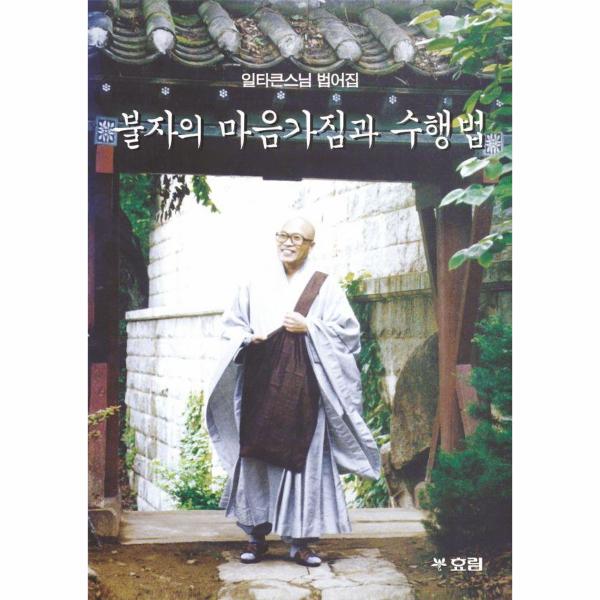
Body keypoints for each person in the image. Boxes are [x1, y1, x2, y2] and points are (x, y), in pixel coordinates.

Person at [205, 216, 381, 567]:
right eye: (283, 235)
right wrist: (247, 337)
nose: (288, 242)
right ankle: (255, 536)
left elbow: (349, 335)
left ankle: (301, 543)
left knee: (304, 459)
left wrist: (310, 326)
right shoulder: (253, 282)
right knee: (254, 455)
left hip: (304, 387)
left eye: (298, 238)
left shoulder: (324, 286)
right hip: (259, 380)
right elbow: (231, 325)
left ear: (310, 246)